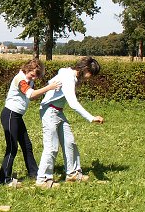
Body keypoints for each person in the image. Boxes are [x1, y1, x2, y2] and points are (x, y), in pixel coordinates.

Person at [36, 56, 104, 189]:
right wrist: (91, 117)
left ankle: (72, 174)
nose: (91, 77)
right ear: (86, 69)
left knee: (69, 142)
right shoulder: (68, 77)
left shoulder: (69, 74)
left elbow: (60, 73)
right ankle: (42, 180)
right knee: (51, 147)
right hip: (49, 112)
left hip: (58, 111)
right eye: (92, 74)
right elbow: (73, 103)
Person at [0, 59, 61, 186]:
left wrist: (48, 91)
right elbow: (31, 95)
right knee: (12, 147)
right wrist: (49, 87)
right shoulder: (20, 79)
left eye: (37, 76)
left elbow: (32, 96)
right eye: (32, 74)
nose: (34, 78)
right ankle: (4, 179)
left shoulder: (29, 80)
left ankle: (34, 173)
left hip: (17, 116)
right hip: (10, 114)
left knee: (27, 145)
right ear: (27, 69)